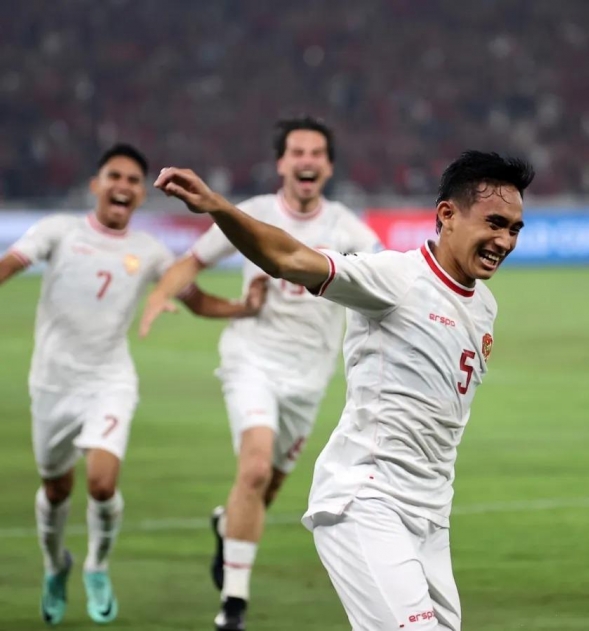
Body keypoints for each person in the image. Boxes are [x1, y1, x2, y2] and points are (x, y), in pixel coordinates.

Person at [153, 149, 533, 631]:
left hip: (431, 517)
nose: (504, 240)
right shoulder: (395, 278)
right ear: (447, 214)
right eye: (494, 223)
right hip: (367, 501)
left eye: (514, 229)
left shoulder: (484, 306)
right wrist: (218, 207)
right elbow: (288, 257)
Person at [0, 144, 267, 626]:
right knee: (56, 490)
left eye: (131, 181)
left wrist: (241, 308)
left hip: (110, 380)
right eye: (114, 176)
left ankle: (97, 566)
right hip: (52, 384)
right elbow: (13, 263)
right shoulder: (59, 231)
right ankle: (55, 564)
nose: (122, 186)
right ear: (96, 185)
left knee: (102, 483)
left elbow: (195, 298)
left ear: (141, 194)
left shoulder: (148, 250)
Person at [138, 116, 383, 631]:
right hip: (251, 359)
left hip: (308, 378)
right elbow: (191, 262)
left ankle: (227, 526)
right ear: (282, 163)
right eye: (298, 152)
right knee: (252, 470)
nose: (307, 161)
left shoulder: (350, 230)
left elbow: (386, 279)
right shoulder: (252, 214)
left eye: (316, 153)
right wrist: (161, 294)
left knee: (264, 490)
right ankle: (233, 606)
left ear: (328, 167)